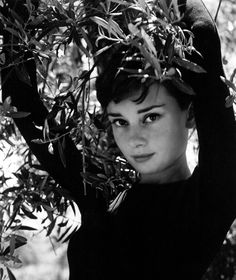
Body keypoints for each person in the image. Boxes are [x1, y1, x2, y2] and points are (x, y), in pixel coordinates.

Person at [1, 0, 236, 279]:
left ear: (189, 115)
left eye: (151, 117)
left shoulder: (208, 201)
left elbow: (203, 34)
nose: (134, 138)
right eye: (120, 121)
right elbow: (22, 101)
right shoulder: (104, 197)